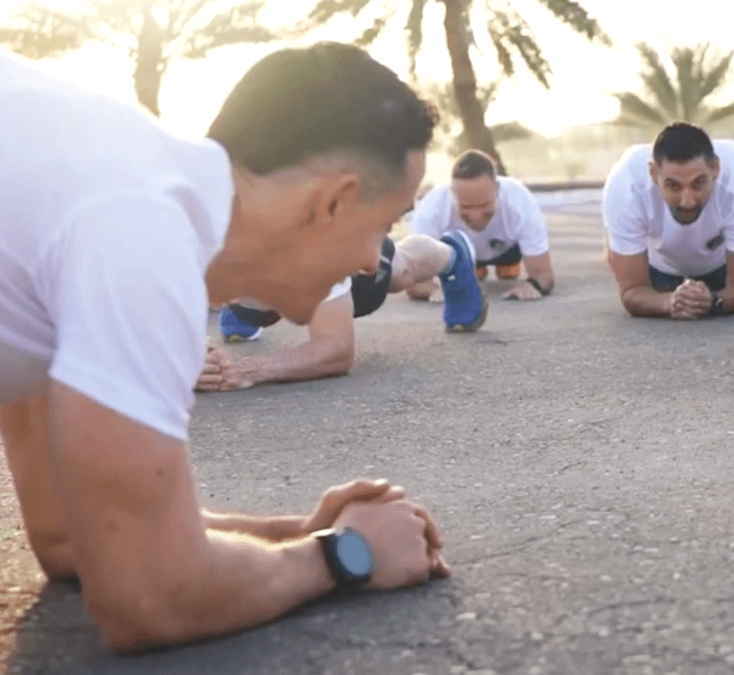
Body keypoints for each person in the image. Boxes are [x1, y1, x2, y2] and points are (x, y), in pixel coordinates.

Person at [0, 44, 455, 652]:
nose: (375, 261)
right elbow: (145, 595)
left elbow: (67, 535)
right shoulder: (145, 232)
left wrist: (300, 532)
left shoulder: (106, 176)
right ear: (333, 201)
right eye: (387, 223)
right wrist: (348, 554)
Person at [201, 229, 486, 391]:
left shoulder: (309, 246)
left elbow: (335, 350)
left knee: (400, 274)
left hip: (337, 257)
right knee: (244, 310)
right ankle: (247, 311)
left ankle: (452, 254)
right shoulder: (177, 244)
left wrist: (247, 369)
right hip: (261, 283)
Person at [602, 123, 734, 319]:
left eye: (699, 184)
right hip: (659, 267)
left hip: (719, 265)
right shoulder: (625, 184)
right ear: (653, 173)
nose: (687, 201)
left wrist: (713, 301)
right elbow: (632, 292)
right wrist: (670, 303)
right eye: (673, 186)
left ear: (715, 168)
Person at [406, 149, 555, 302]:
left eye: (484, 205)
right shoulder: (431, 209)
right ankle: (472, 267)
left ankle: (505, 265)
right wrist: (435, 290)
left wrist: (534, 285)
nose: (475, 216)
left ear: (498, 189)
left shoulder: (521, 200)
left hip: (507, 248)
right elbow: (414, 282)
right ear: (452, 193)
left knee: (508, 274)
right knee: (466, 272)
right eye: (466, 207)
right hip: (458, 251)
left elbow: (543, 275)